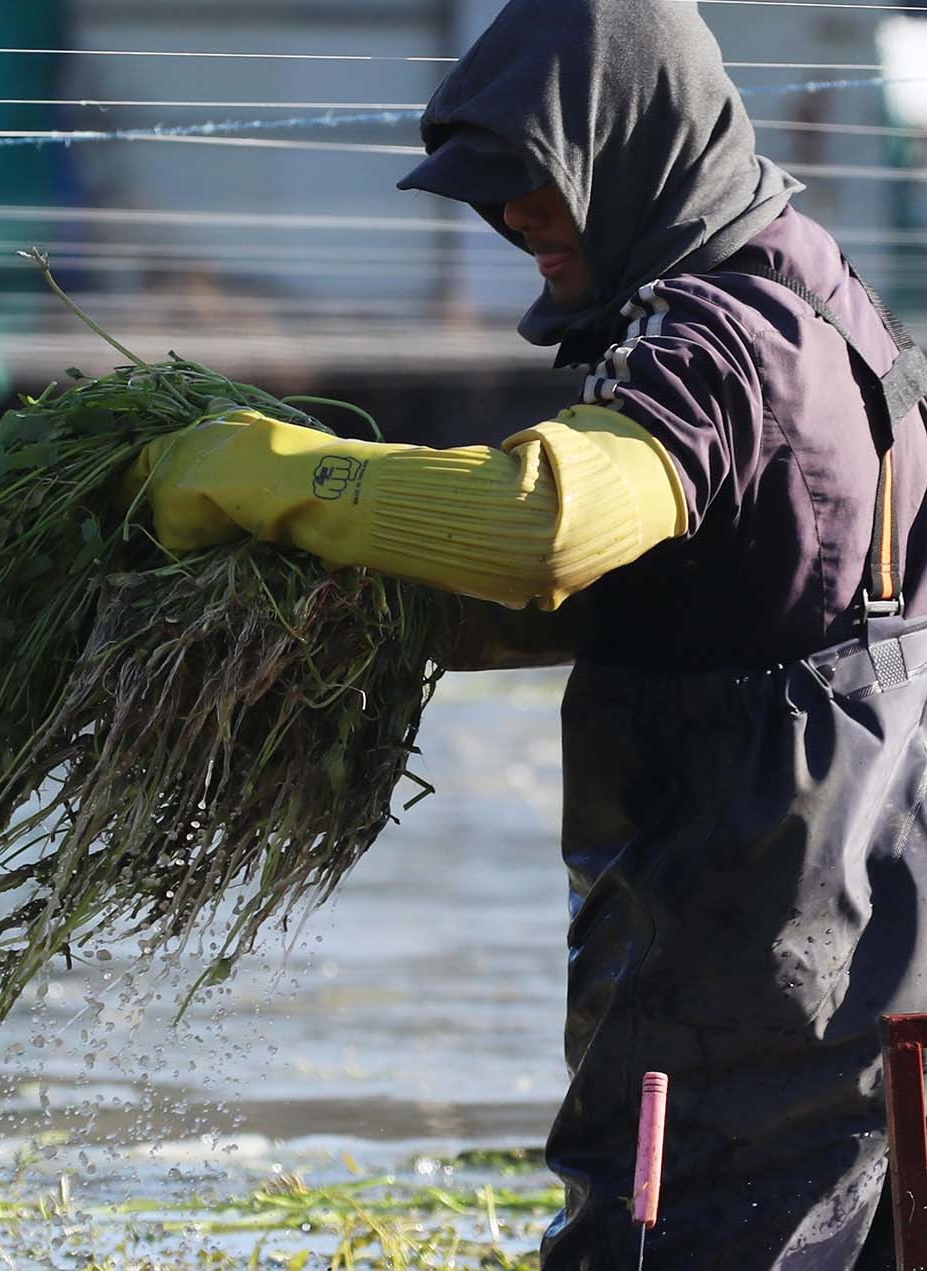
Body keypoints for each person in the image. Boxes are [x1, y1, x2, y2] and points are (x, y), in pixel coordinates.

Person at [124, 0, 927, 1266]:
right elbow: (719, 595)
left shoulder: (723, 341)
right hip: (862, 977)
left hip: (744, 996)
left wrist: (270, 472)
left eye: (537, 183)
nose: (517, 222)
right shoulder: (826, 298)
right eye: (495, 196)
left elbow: (539, 525)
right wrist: (345, 624)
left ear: (632, 145)